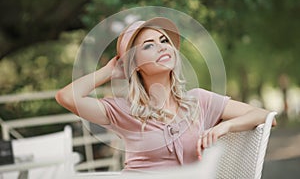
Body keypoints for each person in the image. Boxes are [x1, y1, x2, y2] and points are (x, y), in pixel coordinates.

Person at [55, 17, 276, 172]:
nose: (162, 48)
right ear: (135, 64)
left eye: (164, 41)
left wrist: (224, 126)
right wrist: (109, 71)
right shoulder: (124, 109)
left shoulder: (199, 100)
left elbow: (266, 116)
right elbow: (66, 97)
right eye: (148, 46)